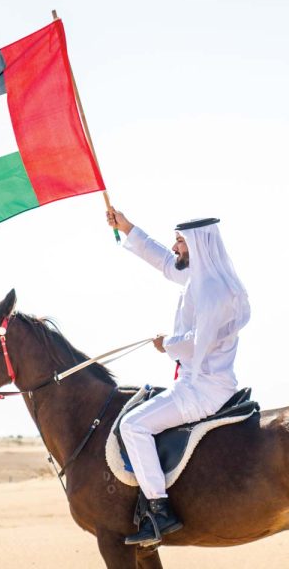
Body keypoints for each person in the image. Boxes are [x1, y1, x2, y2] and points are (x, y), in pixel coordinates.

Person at [106, 209, 251, 546]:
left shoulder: (212, 290)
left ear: (199, 245)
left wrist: (166, 344)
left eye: (181, 241)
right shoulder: (200, 278)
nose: (175, 247)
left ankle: (160, 510)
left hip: (202, 389)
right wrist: (127, 227)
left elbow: (199, 342)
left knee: (133, 426)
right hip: (200, 383)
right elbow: (164, 262)